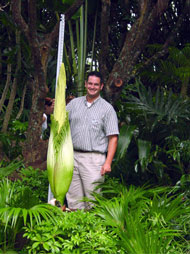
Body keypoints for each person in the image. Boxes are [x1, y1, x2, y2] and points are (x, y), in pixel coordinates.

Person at [66, 71, 119, 210]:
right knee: (73, 198)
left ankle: (93, 230)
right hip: (72, 157)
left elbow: (113, 138)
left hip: (94, 159)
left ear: (101, 86)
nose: (92, 87)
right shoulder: (73, 104)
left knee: (93, 200)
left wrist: (108, 162)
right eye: (90, 83)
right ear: (85, 84)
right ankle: (75, 229)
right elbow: (60, 124)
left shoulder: (107, 109)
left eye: (96, 84)